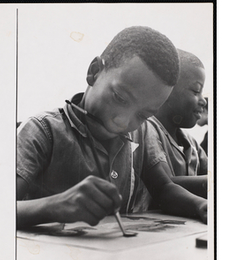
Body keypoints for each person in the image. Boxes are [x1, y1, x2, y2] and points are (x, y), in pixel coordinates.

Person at [17, 26, 207, 229]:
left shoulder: (142, 133)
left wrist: (204, 206)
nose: (123, 122)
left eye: (143, 115)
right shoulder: (42, 131)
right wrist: (54, 206)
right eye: (120, 98)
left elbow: (164, 188)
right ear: (94, 72)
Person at [143, 49, 208, 212]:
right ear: (166, 90)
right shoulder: (147, 129)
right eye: (195, 91)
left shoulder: (191, 144)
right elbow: (163, 184)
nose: (203, 101)